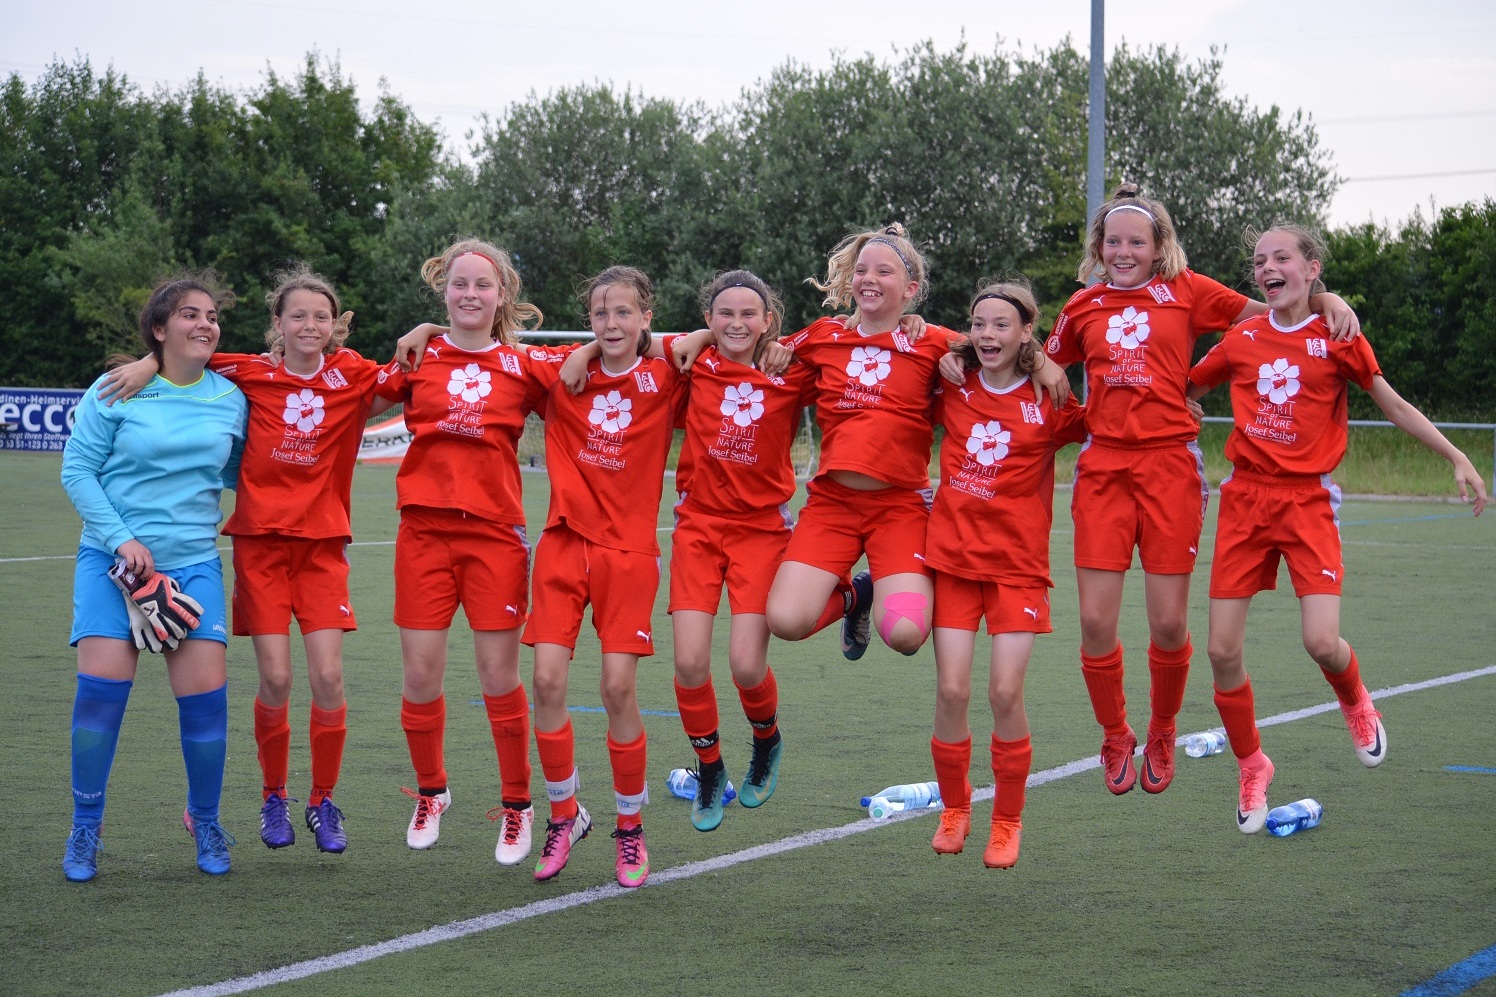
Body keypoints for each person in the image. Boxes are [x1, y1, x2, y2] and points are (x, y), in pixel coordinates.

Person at [1042, 183, 1359, 797]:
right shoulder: (1082, 305)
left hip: (1170, 469)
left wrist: (1327, 296)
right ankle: (1115, 733)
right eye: (1114, 241)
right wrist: (1045, 361)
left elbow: (1273, 313)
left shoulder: (1188, 291)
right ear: (1099, 248)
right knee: (1093, 619)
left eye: (1138, 240)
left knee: (1166, 624)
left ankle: (1162, 729)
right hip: (1103, 468)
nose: (1125, 250)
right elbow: (1039, 361)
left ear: (1160, 247)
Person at [1187, 224, 1487, 832]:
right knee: (1221, 650)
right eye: (1259, 261)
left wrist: (1456, 455)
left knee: (1322, 642)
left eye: (1282, 258)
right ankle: (1252, 764)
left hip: (1307, 503)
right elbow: (1186, 384)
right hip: (1245, 501)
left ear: (1312, 267)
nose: (1268, 268)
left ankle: (1355, 700)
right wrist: (1185, 408)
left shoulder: (1339, 336)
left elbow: (1394, 404)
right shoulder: (1241, 337)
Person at [99, 265, 390, 855]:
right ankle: (273, 798)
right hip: (260, 547)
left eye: (321, 316)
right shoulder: (248, 372)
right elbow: (189, 359)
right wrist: (148, 364)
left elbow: (414, 376)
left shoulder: (354, 373)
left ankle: (322, 801)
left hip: (322, 548)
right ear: (277, 324)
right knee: (277, 678)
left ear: (335, 326)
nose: (310, 325)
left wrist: (431, 325)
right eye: (298, 315)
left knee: (329, 677)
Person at [766, 224, 1066, 664]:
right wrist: (752, 346)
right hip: (832, 505)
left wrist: (1041, 360)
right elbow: (747, 348)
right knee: (785, 621)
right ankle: (857, 597)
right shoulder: (824, 335)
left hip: (900, 509)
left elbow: (995, 340)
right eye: (862, 271)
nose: (868, 278)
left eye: (883, 271)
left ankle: (872, 591)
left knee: (906, 634)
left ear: (910, 288)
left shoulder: (933, 341)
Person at [60, 272, 247, 881]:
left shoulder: (231, 398)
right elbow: (78, 472)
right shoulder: (116, 389)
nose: (206, 324)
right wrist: (124, 540)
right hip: (112, 567)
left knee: (205, 708)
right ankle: (86, 826)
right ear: (160, 330)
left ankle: (205, 820)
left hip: (193, 567)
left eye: (213, 315)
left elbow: (243, 474)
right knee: (100, 701)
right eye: (190, 315)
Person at [372, 239, 547, 866]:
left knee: (499, 677)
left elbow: (606, 370)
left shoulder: (525, 367)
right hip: (422, 533)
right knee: (420, 675)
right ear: (442, 289)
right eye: (458, 283)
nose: (470, 294)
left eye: (483, 284)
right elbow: (346, 398)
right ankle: (431, 792)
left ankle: (517, 806)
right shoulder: (417, 355)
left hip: (495, 536)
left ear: (503, 294)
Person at [522, 266, 686, 887]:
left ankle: (630, 828)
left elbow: (706, 339)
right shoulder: (563, 371)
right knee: (545, 680)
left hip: (628, 553)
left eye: (624, 313)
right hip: (564, 544)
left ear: (646, 316)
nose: (611, 324)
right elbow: (483, 348)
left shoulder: (667, 375)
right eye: (599, 315)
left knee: (619, 690)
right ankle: (564, 816)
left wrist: (605, 348)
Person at [926, 277, 1087, 869]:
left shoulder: (1050, 398)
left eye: (1001, 324)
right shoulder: (951, 382)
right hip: (952, 561)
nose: (987, 334)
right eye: (979, 324)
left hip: (1017, 569)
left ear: (1026, 334)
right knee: (952, 689)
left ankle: (1008, 819)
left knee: (1004, 691)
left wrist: (1178, 408)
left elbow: (1112, 426)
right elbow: (904, 343)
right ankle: (955, 808)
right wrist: (938, 341)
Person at [662, 270, 816, 831]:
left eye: (749, 313)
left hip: (760, 531)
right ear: (709, 321)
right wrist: (693, 342)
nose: (736, 323)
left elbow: (854, 355)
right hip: (698, 528)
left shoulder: (791, 370)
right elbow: (636, 342)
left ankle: (766, 741)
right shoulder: (692, 364)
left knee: (747, 665)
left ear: (768, 321)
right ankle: (708, 767)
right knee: (688, 661)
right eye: (724, 313)